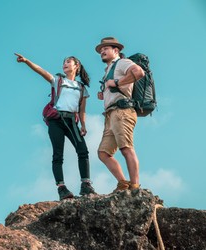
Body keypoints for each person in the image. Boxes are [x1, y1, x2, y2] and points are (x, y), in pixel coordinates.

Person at [15, 53, 96, 200]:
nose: (65, 64)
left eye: (68, 62)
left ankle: (86, 185)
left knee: (83, 151)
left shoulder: (81, 88)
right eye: (63, 62)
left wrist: (83, 125)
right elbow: (41, 71)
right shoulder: (58, 80)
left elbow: (82, 110)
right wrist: (27, 61)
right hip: (56, 121)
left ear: (76, 66)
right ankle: (62, 188)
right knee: (58, 154)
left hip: (71, 121)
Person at [95, 37, 145, 192]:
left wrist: (116, 83)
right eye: (101, 50)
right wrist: (105, 92)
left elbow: (139, 72)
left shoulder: (122, 63)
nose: (102, 51)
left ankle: (135, 186)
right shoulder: (108, 70)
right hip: (111, 114)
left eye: (105, 48)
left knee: (126, 148)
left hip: (122, 111)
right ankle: (123, 184)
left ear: (116, 50)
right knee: (103, 153)